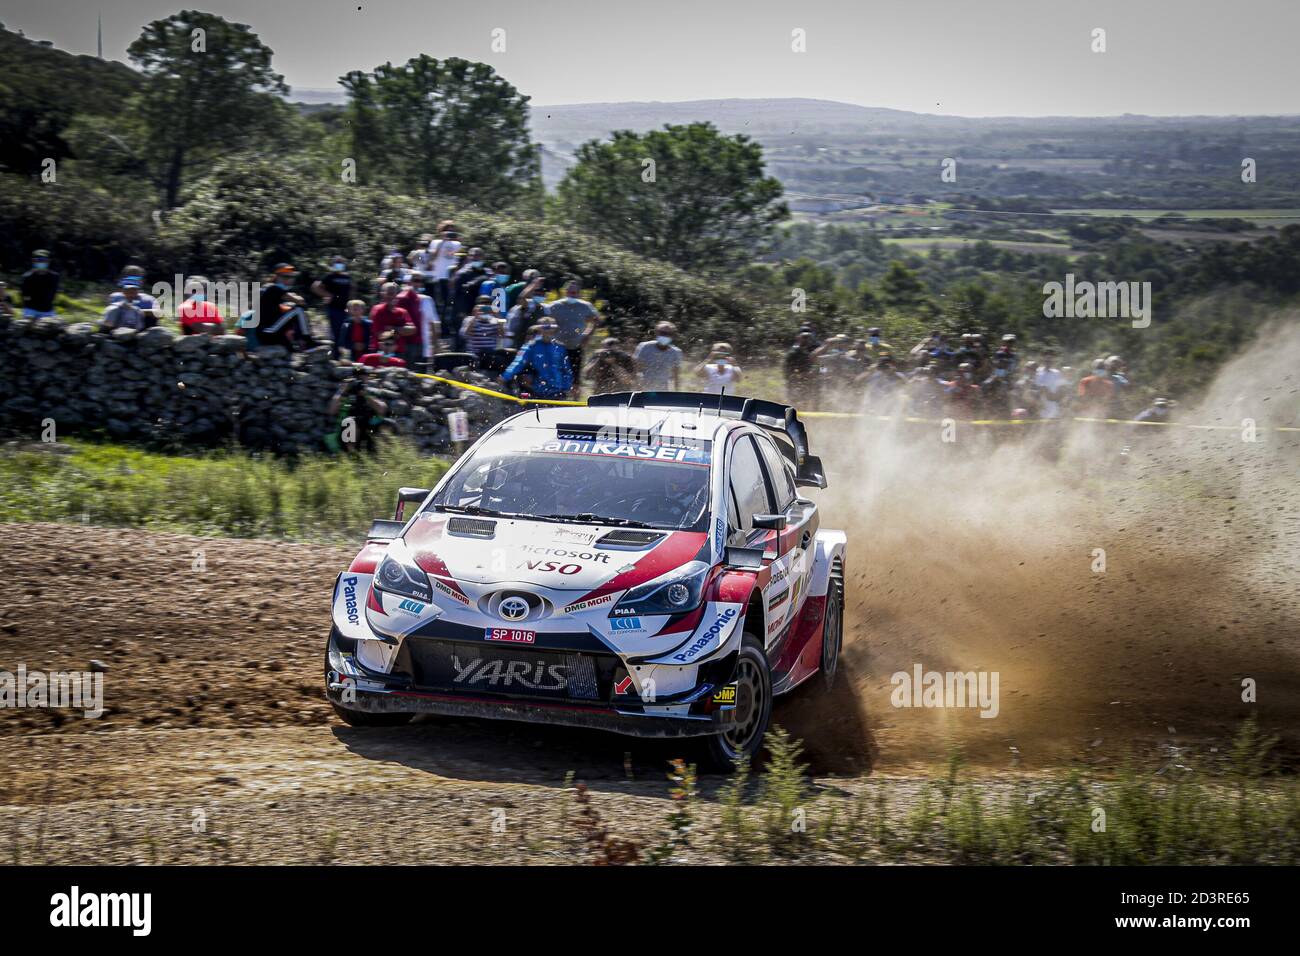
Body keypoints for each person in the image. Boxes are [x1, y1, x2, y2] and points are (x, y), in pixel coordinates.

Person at [500, 317, 574, 399]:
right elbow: (518, 363)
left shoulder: (560, 347)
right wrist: (505, 377)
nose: (548, 330)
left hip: (558, 391)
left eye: (550, 327)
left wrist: (567, 386)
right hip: (537, 390)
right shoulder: (531, 346)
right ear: (539, 329)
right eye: (545, 327)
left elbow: (566, 369)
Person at [548, 279, 601, 390]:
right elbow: (545, 320)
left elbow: (596, 320)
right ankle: (557, 397)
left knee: (575, 376)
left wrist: (587, 334)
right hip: (557, 345)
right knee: (557, 372)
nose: (572, 294)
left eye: (575, 292)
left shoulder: (585, 306)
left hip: (576, 346)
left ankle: (574, 401)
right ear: (565, 291)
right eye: (570, 292)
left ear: (578, 293)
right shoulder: (554, 306)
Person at [327, 366, 388, 455]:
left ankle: (384, 455)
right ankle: (350, 455)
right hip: (348, 433)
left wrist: (366, 395)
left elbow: (382, 409)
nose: (360, 379)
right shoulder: (346, 394)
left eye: (363, 376)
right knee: (350, 421)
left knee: (387, 423)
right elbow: (331, 411)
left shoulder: (371, 392)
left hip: (368, 428)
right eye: (358, 377)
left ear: (367, 378)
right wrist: (341, 391)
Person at [257, 264, 313, 350]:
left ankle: (299, 341)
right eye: (285, 277)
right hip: (268, 331)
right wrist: (293, 297)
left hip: (269, 332)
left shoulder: (268, 288)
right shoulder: (274, 288)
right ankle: (307, 340)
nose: (289, 280)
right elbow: (301, 301)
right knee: (298, 310)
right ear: (277, 277)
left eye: (291, 277)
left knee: (291, 310)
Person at [311, 255, 354, 359]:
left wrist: (352, 303)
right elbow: (315, 287)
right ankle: (336, 356)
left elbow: (352, 289)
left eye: (341, 262)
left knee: (346, 331)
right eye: (337, 262)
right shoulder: (330, 276)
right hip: (333, 308)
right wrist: (327, 295)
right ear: (333, 264)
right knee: (336, 331)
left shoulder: (347, 277)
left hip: (346, 308)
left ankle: (347, 355)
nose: (339, 264)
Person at [634, 321, 683, 390]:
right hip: (644, 389)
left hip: (664, 390)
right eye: (662, 333)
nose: (665, 336)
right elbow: (637, 370)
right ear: (657, 333)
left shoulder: (676, 353)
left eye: (668, 334)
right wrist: (638, 389)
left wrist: (677, 393)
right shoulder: (644, 347)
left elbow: (676, 376)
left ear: (672, 336)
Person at [427, 221, 462, 315]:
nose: (448, 233)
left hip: (453, 278)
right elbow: (432, 257)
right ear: (441, 231)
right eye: (446, 230)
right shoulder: (436, 242)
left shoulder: (457, 244)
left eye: (451, 231)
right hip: (440, 276)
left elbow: (460, 259)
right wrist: (443, 241)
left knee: (453, 303)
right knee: (441, 303)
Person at [368, 281, 414, 351]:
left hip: (399, 351)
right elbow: (380, 335)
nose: (392, 296)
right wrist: (400, 331)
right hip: (381, 352)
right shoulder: (377, 310)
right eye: (389, 293)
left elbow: (412, 330)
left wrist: (391, 328)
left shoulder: (402, 311)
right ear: (382, 294)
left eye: (394, 293)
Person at [504, 276, 548, 348]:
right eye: (537, 293)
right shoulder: (529, 304)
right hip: (521, 342)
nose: (540, 295)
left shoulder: (546, 308)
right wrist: (533, 285)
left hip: (537, 343)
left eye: (542, 294)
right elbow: (521, 298)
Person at [461, 296, 505, 364]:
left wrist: (497, 316)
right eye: (482, 303)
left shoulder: (494, 321)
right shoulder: (469, 320)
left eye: (487, 304)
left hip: (490, 354)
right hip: (474, 354)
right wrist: (475, 317)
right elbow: (465, 335)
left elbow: (502, 335)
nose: (484, 306)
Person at [784, 330, 820, 409]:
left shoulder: (806, 352)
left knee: (805, 401)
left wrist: (812, 372)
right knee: (794, 402)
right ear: (799, 338)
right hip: (795, 382)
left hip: (805, 382)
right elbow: (787, 368)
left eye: (808, 338)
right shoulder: (793, 352)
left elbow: (812, 365)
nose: (806, 340)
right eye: (804, 337)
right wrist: (796, 376)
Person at [20, 250, 60, 318]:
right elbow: (24, 295)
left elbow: (53, 294)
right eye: (38, 260)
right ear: (33, 261)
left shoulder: (54, 276)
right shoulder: (27, 276)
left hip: (48, 310)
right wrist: (29, 309)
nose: (41, 262)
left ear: (49, 261)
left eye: (44, 260)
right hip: (31, 310)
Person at [1032, 349, 1067, 419]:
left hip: (1055, 409)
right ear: (1043, 360)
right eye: (1046, 360)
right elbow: (1036, 388)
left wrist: (1057, 396)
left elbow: (1062, 389)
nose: (1048, 362)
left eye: (1050, 360)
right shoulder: (1038, 372)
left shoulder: (1057, 373)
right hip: (1041, 409)